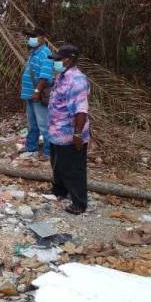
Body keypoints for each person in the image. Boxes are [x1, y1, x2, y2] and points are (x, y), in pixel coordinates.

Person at [47, 44, 90, 215]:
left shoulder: (77, 81)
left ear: (69, 60)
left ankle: (79, 203)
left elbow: (81, 110)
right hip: (56, 132)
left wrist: (78, 134)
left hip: (70, 134)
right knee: (58, 165)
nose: (55, 63)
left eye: (58, 60)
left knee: (73, 169)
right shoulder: (62, 76)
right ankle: (59, 191)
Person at [20, 28, 54, 160]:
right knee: (32, 123)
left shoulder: (45, 53)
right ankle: (31, 147)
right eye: (30, 36)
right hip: (30, 94)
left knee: (43, 124)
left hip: (38, 95)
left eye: (34, 36)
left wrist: (36, 91)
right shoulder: (34, 52)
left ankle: (48, 152)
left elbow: (44, 76)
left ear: (43, 37)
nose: (31, 38)